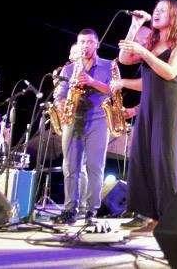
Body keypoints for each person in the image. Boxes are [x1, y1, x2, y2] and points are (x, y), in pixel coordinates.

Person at [115, 0, 177, 236]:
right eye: (155, 10)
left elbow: (169, 72)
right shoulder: (151, 41)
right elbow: (124, 59)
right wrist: (135, 25)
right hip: (149, 104)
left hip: (170, 104)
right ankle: (147, 214)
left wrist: (143, 53)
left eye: (162, 10)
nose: (156, 13)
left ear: (174, 16)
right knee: (142, 155)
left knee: (164, 158)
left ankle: (169, 217)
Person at [52, 29, 114, 225]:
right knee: (71, 167)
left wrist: (92, 82)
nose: (85, 46)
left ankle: (91, 211)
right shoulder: (69, 69)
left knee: (95, 167)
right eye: (82, 42)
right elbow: (59, 94)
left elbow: (113, 90)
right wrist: (63, 105)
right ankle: (70, 209)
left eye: (89, 42)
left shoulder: (108, 65)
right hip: (72, 119)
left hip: (98, 119)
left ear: (97, 44)